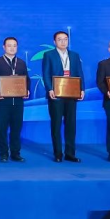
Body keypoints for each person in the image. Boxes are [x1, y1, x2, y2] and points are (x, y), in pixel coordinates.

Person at [42, 30, 85, 162]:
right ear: (54, 42)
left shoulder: (74, 55)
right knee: (56, 124)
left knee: (71, 124)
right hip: (56, 94)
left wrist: (82, 89)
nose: (63, 41)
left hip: (72, 94)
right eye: (60, 39)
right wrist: (49, 89)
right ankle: (58, 154)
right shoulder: (49, 55)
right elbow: (46, 73)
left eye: (65, 39)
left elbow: (80, 73)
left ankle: (70, 153)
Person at [0, 37, 28, 163]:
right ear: (4, 47)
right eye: (9, 45)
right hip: (3, 101)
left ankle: (15, 153)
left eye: (14, 45)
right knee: (2, 128)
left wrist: (27, 90)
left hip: (18, 101)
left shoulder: (21, 63)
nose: (12, 48)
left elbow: (26, 79)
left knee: (16, 128)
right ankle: (3, 153)